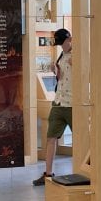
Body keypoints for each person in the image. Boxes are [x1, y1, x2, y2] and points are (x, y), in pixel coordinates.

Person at [34, 28, 72, 186]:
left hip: (73, 103)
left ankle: (88, 172)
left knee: (83, 139)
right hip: (58, 102)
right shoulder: (62, 55)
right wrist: (55, 71)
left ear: (69, 39)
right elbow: (61, 78)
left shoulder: (80, 54)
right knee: (51, 137)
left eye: (62, 42)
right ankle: (48, 174)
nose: (61, 46)